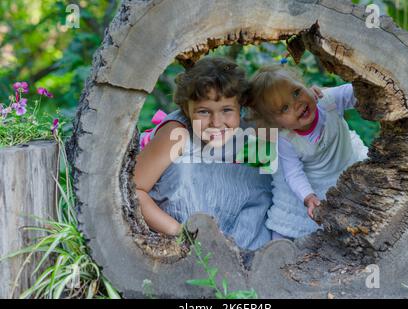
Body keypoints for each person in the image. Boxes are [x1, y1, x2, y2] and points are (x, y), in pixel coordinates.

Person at [133, 57, 273, 250]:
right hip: (184, 241)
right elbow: (134, 190)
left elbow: (260, 192)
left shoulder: (254, 130)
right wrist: (179, 233)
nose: (216, 122)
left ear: (241, 106)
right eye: (204, 112)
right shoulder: (177, 134)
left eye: (226, 110)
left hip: (245, 248)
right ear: (186, 109)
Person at [248, 64, 368, 240]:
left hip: (345, 165)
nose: (297, 104)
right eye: (284, 108)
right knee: (288, 223)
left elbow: (359, 93)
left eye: (296, 92)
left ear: (304, 84)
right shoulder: (286, 139)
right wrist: (308, 196)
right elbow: (293, 173)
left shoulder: (328, 101)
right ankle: (277, 255)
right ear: (276, 123)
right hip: (315, 179)